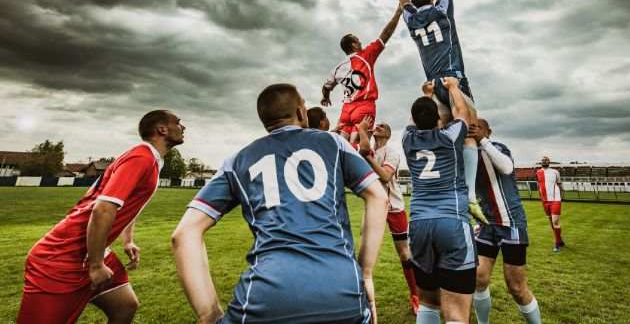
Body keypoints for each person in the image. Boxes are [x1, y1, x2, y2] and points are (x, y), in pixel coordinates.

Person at [171, 83, 388, 324]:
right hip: (342, 288)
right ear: (300, 112)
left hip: (265, 295)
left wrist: (208, 313)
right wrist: (365, 272)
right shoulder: (333, 143)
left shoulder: (237, 160)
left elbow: (184, 234)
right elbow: (378, 196)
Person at [17, 110, 185, 324]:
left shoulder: (149, 159)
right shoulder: (141, 157)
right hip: (61, 257)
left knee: (124, 306)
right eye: (178, 123)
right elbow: (103, 208)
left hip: (91, 251)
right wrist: (96, 265)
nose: (183, 127)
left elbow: (126, 205)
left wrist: (128, 239)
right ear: (162, 129)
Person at [383, 0, 487, 225]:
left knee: (441, 132)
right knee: (468, 133)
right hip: (454, 80)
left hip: (432, 84)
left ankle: (443, 191)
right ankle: (468, 196)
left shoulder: (411, 18)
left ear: (413, 2)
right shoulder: (442, 9)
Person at [402, 77, 476, 324]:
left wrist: (426, 94)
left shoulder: (407, 139)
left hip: (420, 225)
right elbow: (462, 113)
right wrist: (453, 87)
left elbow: (417, 118)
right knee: (456, 312)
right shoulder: (449, 136)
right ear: (437, 119)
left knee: (428, 303)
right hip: (451, 221)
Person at [469, 119, 541, 324]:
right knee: (479, 278)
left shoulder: (497, 148)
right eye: (470, 127)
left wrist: (482, 140)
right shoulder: (467, 155)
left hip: (511, 225)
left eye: (479, 127)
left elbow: (507, 168)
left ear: (488, 132)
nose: (473, 130)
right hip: (487, 226)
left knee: (516, 287)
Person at [357, 119, 420, 315]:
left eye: (383, 126)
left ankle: (416, 295)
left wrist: (367, 157)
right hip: (374, 207)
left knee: (405, 254)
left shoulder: (391, 152)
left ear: (388, 134)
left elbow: (385, 176)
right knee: (364, 255)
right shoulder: (364, 149)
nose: (378, 126)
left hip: (394, 208)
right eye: (378, 125)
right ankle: (361, 297)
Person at [322, 5, 403, 143]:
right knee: (358, 149)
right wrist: (398, 13)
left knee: (344, 147)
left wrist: (326, 97)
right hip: (364, 107)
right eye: (358, 40)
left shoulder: (336, 69)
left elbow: (326, 87)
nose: (360, 41)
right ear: (354, 45)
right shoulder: (365, 56)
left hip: (346, 111)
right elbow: (386, 34)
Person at [536, 156, 565, 251]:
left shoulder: (555, 172)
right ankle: (560, 240)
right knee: (551, 222)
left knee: (555, 222)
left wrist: (561, 196)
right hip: (545, 201)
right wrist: (540, 197)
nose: (544, 161)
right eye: (543, 160)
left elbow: (560, 184)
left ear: (549, 162)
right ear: (541, 162)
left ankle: (557, 244)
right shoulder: (538, 172)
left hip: (555, 199)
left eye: (546, 160)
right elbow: (538, 185)